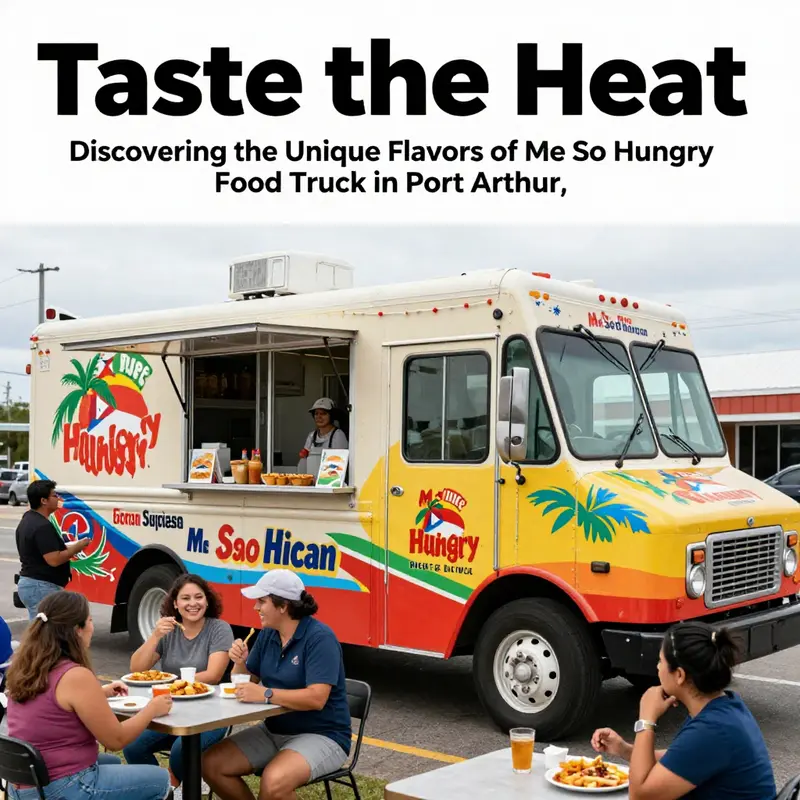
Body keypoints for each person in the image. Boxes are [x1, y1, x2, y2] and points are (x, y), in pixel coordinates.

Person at [4, 591, 173, 800]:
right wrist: (152, 709)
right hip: (62, 787)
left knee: (111, 763)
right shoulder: (75, 675)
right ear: (77, 630)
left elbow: (48, 702)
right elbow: (116, 740)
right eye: (90, 620)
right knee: (161, 779)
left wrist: (99, 693)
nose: (93, 627)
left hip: (25, 785)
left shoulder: (26, 667)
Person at [202, 570, 351, 800]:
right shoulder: (267, 634)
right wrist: (239, 663)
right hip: (274, 729)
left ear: (283, 606)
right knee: (211, 764)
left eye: (262, 601)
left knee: (273, 783)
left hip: (324, 734)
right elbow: (246, 683)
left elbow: (317, 698)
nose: (255, 607)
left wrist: (266, 694)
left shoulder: (320, 638)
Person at [591, 621, 775, 800]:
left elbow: (640, 796)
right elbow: (679, 759)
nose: (657, 667)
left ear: (679, 675)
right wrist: (625, 749)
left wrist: (646, 719)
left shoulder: (714, 730)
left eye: (660, 661)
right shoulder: (725, 707)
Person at [124, 574, 234, 797]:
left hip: (210, 713)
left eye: (198, 597)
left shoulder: (219, 628)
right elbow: (137, 669)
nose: (193, 603)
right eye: (185, 598)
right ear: (175, 603)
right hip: (171, 710)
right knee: (133, 745)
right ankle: (161, 790)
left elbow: (213, 675)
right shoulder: (169, 630)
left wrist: (174, 685)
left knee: (180, 752)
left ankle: (183, 784)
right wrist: (155, 636)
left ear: (207, 600)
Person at [15, 479, 91, 619]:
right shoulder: (42, 526)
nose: (58, 498)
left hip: (32, 583)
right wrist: (77, 547)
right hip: (41, 586)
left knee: (41, 629)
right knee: (45, 631)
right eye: (54, 495)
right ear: (44, 500)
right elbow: (54, 560)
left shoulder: (27, 520)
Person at [297, 398, 348, 482]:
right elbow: (303, 461)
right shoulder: (311, 436)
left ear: (332, 416)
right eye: (316, 414)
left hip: (329, 484)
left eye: (323, 413)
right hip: (310, 485)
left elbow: (341, 465)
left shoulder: (338, 435)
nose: (319, 417)